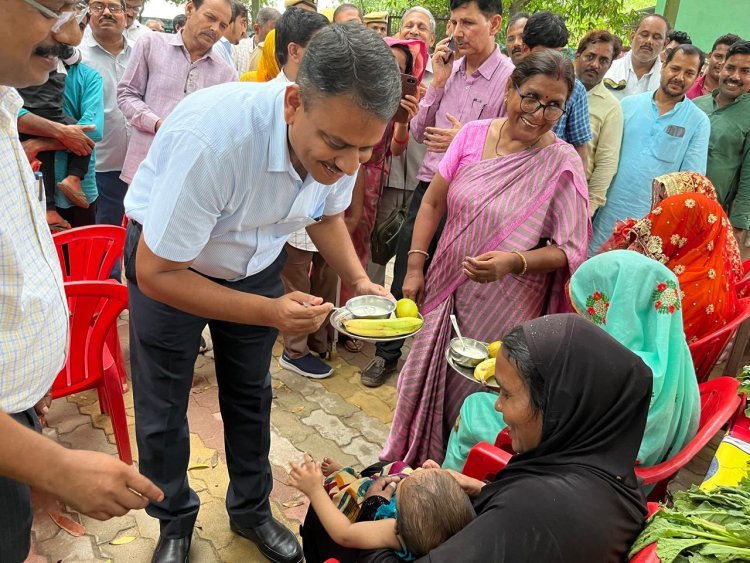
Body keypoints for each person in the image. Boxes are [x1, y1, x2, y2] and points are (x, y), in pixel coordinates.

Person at [122, 24, 401, 562]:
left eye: (364, 150)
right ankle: (174, 521)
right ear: (294, 101)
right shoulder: (215, 138)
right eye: (338, 147)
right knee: (163, 404)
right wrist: (270, 311)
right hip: (168, 263)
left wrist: (361, 280)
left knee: (251, 396)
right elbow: (158, 272)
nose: (347, 165)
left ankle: (251, 510)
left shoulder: (342, 136)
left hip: (252, 266)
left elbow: (324, 213)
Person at [0, 2, 163, 561]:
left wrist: (27, 372)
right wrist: (60, 467)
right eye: (57, 9)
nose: (72, 35)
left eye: (80, 11)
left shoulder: (7, 102)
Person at [381, 50, 590, 466]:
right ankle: (417, 465)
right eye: (530, 97)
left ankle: (458, 478)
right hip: (444, 286)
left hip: (507, 305)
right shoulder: (473, 135)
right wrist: (416, 266)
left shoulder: (562, 163)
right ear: (511, 90)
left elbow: (570, 250)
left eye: (554, 105)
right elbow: (433, 203)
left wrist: (515, 262)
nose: (539, 112)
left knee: (479, 395)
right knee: (426, 378)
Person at [305, 314, 652, 563]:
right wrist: (482, 489)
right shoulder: (610, 478)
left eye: (507, 394)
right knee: (384, 470)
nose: (498, 406)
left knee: (331, 515)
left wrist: (377, 521)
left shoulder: (534, 512)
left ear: (561, 405)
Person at [362, 0, 514, 388]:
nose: (458, 31)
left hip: (476, 196)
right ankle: (387, 354)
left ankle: (441, 364)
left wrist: (466, 139)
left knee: (456, 280)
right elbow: (416, 131)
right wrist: (439, 84)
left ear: (494, 24)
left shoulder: (509, 78)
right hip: (430, 188)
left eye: (469, 22)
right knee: (408, 272)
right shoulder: (448, 72)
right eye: (454, 21)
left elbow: (512, 144)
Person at [445, 249, 701, 474]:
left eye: (589, 312)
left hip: (573, 464)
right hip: (634, 470)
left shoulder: (618, 371)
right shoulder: (672, 355)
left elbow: (558, 423)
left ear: (615, 307)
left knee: (474, 407)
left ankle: (449, 491)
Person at [338, 37, 428, 325]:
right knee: (331, 241)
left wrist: (403, 121)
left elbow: (396, 149)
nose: (390, 72)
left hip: (374, 180)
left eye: (399, 69)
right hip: (342, 172)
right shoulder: (353, 88)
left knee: (361, 246)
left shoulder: (397, 101)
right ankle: (328, 313)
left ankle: (355, 314)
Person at [590, 44, 710, 254]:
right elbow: (605, 157)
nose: (680, 77)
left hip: (651, 226)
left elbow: (690, 182)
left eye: (689, 73)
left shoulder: (698, 122)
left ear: (698, 75)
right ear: (663, 65)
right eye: (675, 68)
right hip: (607, 214)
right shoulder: (628, 105)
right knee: (590, 269)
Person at [271, 8, 336, 379]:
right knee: (294, 278)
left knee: (321, 279)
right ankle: (294, 351)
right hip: (286, 222)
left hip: (318, 214)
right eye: (320, 49)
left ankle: (317, 341)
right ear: (295, 51)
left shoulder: (328, 97)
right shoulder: (271, 101)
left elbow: (332, 212)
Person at [116, 0, 238, 186]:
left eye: (222, 25)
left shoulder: (227, 74)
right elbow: (127, 94)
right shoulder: (151, 44)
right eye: (210, 17)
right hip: (143, 171)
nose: (215, 29)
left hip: (190, 180)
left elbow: (226, 127)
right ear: (190, 9)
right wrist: (156, 123)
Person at [601, 184, 742, 343]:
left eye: (666, 225)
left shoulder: (681, 288)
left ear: (683, 231)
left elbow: (635, 338)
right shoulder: (710, 273)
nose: (657, 233)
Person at [367, 6, 436, 290]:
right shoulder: (390, 70)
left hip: (427, 184)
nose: (414, 30)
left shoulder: (444, 76)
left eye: (422, 26)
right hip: (388, 178)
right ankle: (367, 307)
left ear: (432, 38)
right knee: (377, 248)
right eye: (409, 24)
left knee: (413, 257)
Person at [290, 455, 475, 559]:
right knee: (397, 467)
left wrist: (314, 491)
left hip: (357, 525)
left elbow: (344, 534)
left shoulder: (393, 531)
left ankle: (341, 476)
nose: (417, 470)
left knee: (349, 492)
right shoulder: (450, 528)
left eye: (404, 483)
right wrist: (433, 477)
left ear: (399, 516)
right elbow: (437, 500)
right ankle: (348, 473)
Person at [19, 8, 104, 229]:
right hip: (29, 189)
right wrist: (61, 134)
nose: (73, 33)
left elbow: (93, 131)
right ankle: (63, 191)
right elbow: (11, 116)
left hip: (81, 193)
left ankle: (71, 182)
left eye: (81, 26)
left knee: (80, 256)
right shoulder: (18, 70)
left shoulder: (89, 77)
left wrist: (41, 142)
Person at [79, 0, 133, 277]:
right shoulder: (77, 54)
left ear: (127, 15)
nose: (107, 13)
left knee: (140, 229)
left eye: (114, 7)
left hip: (140, 162)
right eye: (98, 6)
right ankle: (106, 288)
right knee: (106, 230)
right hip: (100, 162)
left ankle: (136, 290)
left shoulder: (140, 51)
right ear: (89, 13)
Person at [694, 40, 750, 241]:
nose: (735, 76)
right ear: (720, 67)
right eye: (731, 68)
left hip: (716, 217)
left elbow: (748, 180)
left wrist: (738, 227)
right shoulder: (695, 105)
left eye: (745, 71)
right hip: (676, 205)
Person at [521, 11, 591, 166]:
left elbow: (579, 146)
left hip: (548, 174)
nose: (551, 61)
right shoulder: (511, 80)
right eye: (543, 54)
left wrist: (576, 185)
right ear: (525, 49)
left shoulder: (575, 90)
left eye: (557, 53)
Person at [574, 29, 624, 215]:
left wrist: (589, 207)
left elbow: (607, 162)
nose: (595, 65)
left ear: (610, 65)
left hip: (576, 195)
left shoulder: (611, 107)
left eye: (603, 61)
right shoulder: (556, 87)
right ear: (578, 55)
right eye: (590, 56)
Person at [604, 14, 670, 100]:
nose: (649, 41)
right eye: (644, 35)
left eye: (656, 37)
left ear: (665, 44)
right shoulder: (607, 69)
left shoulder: (669, 80)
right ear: (632, 37)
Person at [687, 34, 741, 99]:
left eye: (727, 58)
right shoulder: (687, 85)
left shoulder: (739, 99)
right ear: (710, 56)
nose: (722, 62)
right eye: (718, 56)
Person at [240, 6, 279, 74]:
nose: (276, 37)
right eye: (272, 33)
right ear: (256, 29)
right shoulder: (238, 50)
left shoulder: (281, 55)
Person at [215, 0, 248, 67]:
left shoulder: (226, 48)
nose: (244, 30)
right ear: (229, 21)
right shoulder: (217, 48)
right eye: (242, 22)